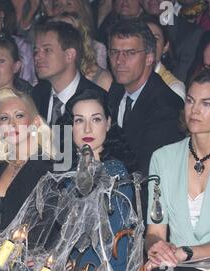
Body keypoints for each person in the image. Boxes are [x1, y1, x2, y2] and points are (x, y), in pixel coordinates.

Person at [144, 69, 210, 271]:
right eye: (190, 101)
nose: (194, 110)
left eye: (206, 103)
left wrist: (184, 253)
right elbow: (155, 233)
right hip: (174, 265)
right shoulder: (163, 158)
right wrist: (157, 247)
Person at [56, 88, 137, 271]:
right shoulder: (64, 175)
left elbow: (114, 245)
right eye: (79, 120)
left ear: (108, 123)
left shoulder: (115, 172)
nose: (88, 129)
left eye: (96, 119)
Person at [107, 18, 184, 176]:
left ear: (150, 58)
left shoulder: (166, 107)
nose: (119, 61)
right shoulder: (115, 90)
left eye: (130, 53)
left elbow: (148, 173)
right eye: (114, 52)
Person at [0, 87, 54, 231]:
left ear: (35, 123)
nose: (11, 124)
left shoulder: (47, 169)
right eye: (4, 118)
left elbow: (47, 230)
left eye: (19, 116)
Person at [32, 21, 107, 126]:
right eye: (36, 51)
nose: (37, 57)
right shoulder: (36, 95)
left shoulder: (97, 99)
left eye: (47, 50)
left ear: (69, 55)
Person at [50, 12, 113, 91]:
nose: (61, 40)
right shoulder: (48, 78)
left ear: (82, 39)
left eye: (67, 33)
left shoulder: (101, 79)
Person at [142, 14, 186, 100]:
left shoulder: (173, 89)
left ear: (165, 47)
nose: (149, 44)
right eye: (144, 38)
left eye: (155, 38)